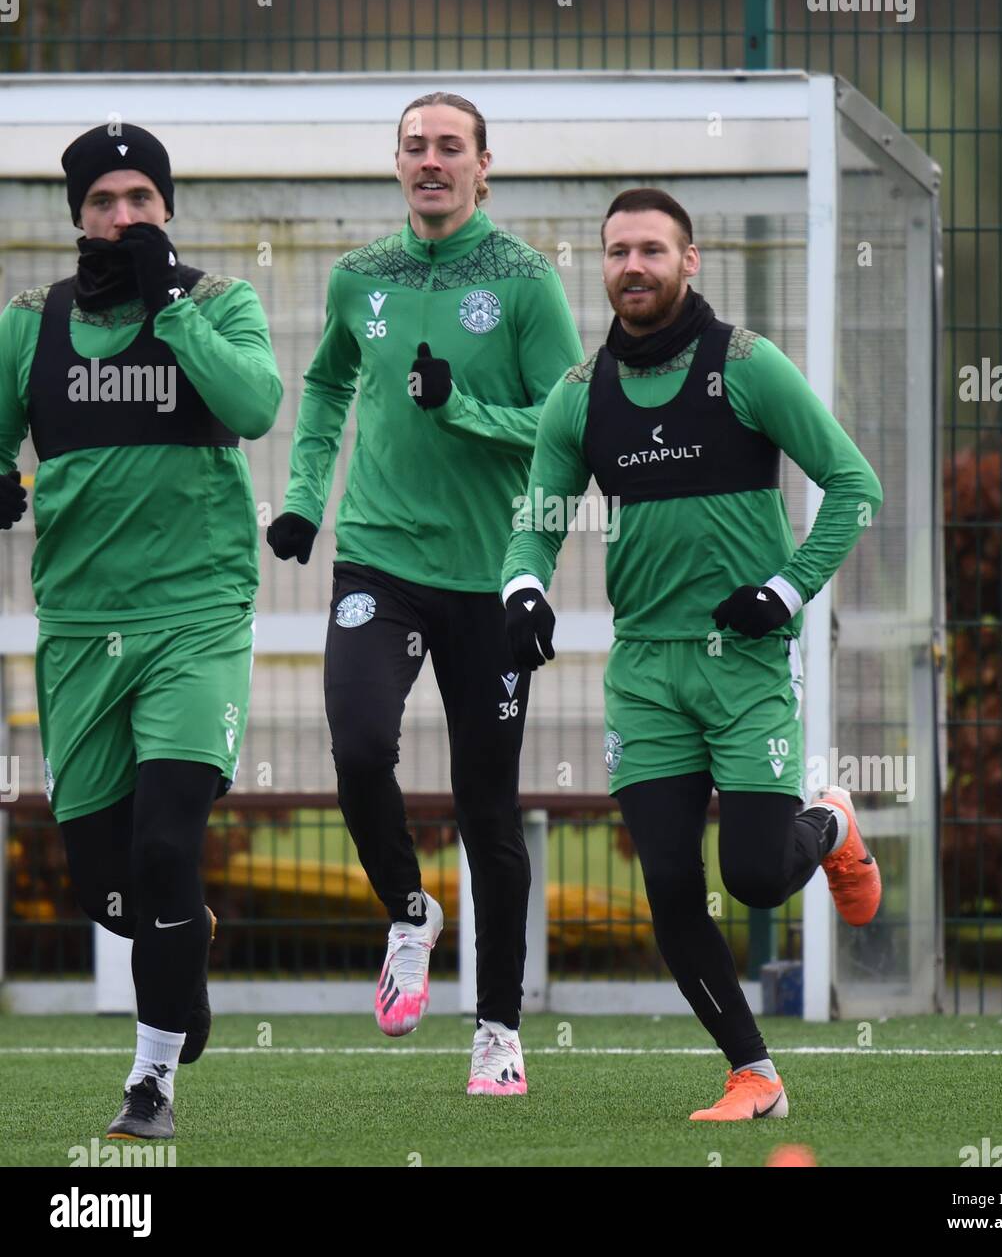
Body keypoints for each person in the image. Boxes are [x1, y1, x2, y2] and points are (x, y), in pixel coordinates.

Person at [502, 187, 884, 1120]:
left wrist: (786, 589)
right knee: (670, 884)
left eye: (652, 251)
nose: (632, 267)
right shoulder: (577, 394)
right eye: (616, 252)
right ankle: (754, 1073)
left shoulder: (746, 367)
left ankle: (828, 824)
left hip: (747, 663)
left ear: (689, 260)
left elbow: (854, 485)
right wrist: (523, 588)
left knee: (753, 877)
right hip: (645, 671)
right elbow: (539, 519)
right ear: (602, 265)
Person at [267, 92, 583, 1096]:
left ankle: (497, 1030)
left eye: (451, 147)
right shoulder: (359, 276)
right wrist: (305, 499)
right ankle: (408, 911)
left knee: (488, 804)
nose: (431, 162)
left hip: (490, 576)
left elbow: (559, 423)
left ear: (485, 164)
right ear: (396, 163)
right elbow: (322, 388)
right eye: (415, 147)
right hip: (378, 558)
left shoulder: (527, 283)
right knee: (357, 741)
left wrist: (462, 408)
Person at [0, 123, 281, 1139]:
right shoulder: (30, 323)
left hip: (195, 620)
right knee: (106, 888)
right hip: (80, 629)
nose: (126, 216)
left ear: (168, 208)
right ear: (78, 215)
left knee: (168, 843)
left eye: (144, 200)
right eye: (106, 201)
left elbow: (253, 405)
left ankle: (151, 1080)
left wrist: (168, 300)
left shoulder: (217, 303)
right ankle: (177, 941)